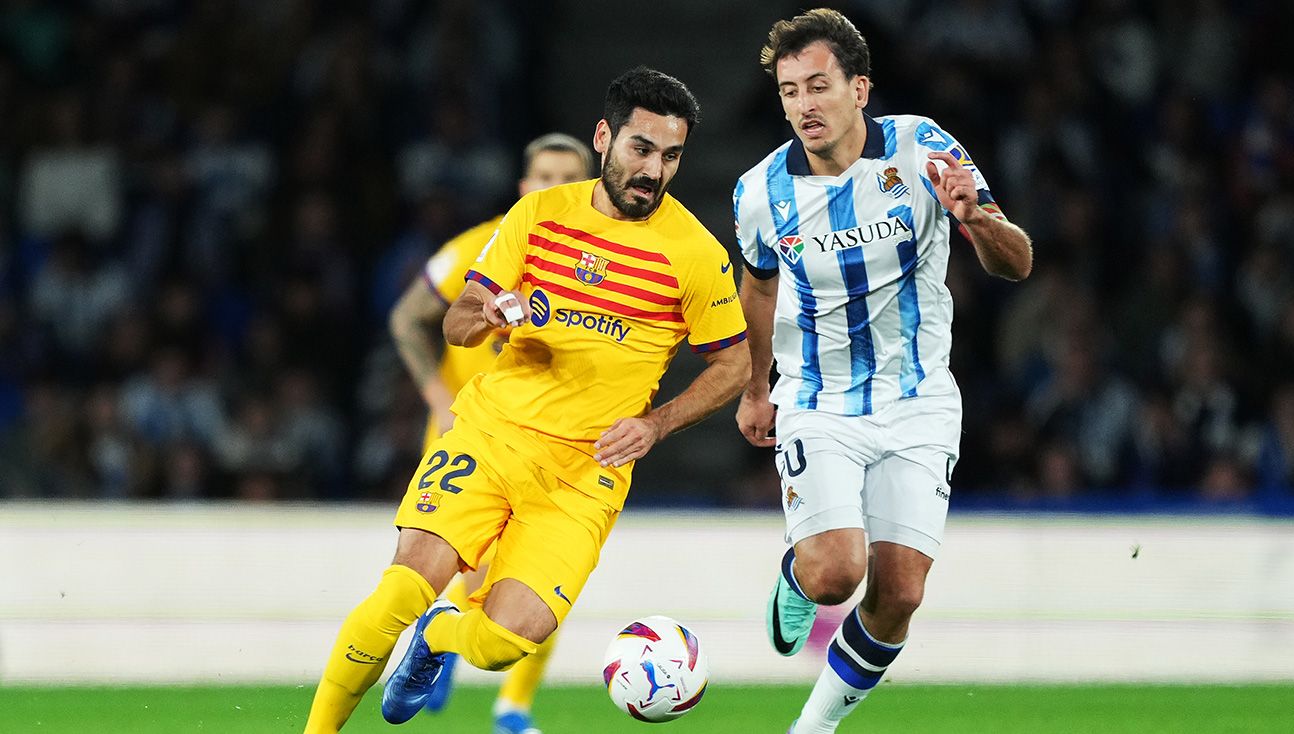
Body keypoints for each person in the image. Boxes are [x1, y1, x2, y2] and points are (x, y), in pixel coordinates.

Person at [304, 66, 750, 733]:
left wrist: (657, 426)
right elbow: (455, 319)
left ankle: (440, 638)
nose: (654, 170)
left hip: (582, 477)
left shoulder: (695, 253)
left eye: (671, 155)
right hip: (491, 436)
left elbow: (735, 365)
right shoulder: (537, 216)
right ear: (605, 137)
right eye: (641, 149)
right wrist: (489, 317)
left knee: (505, 642)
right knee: (398, 590)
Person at [732, 9, 1032, 734]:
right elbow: (760, 288)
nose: (804, 105)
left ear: (859, 88)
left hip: (919, 398)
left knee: (898, 593)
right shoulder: (758, 193)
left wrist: (977, 220)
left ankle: (814, 727)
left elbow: (1016, 263)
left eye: (818, 86)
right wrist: (754, 386)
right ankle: (798, 575)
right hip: (818, 399)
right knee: (837, 572)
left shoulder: (924, 149)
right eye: (789, 91)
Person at [387, 132, 593, 733]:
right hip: (469, 436)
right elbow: (407, 318)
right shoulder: (480, 247)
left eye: (568, 179)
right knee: (463, 572)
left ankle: (510, 707)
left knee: (547, 579)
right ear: (524, 188)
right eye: (544, 178)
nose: (555, 189)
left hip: (554, 444)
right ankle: (440, 637)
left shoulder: (600, 265)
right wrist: (436, 395)